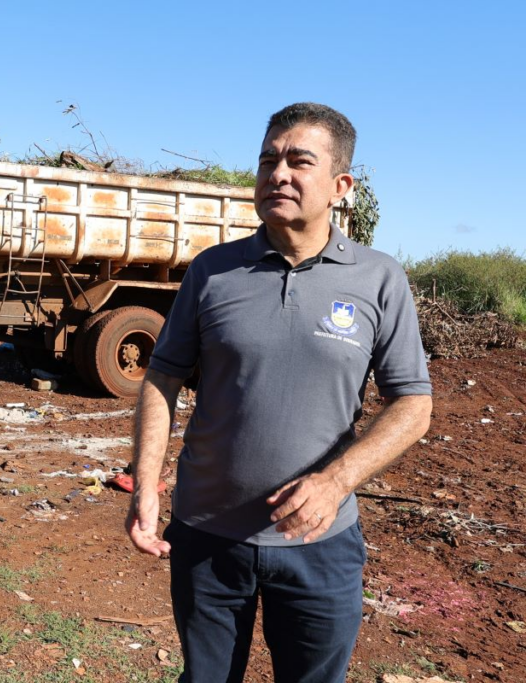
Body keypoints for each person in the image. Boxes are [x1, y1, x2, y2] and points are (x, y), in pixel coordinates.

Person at [126, 103, 433, 683]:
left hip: (321, 541)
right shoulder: (212, 271)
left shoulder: (378, 278)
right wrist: (145, 484)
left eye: (298, 161)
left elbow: (413, 403)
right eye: (268, 160)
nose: (277, 174)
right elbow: (162, 378)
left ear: (341, 185)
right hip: (207, 535)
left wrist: (336, 481)